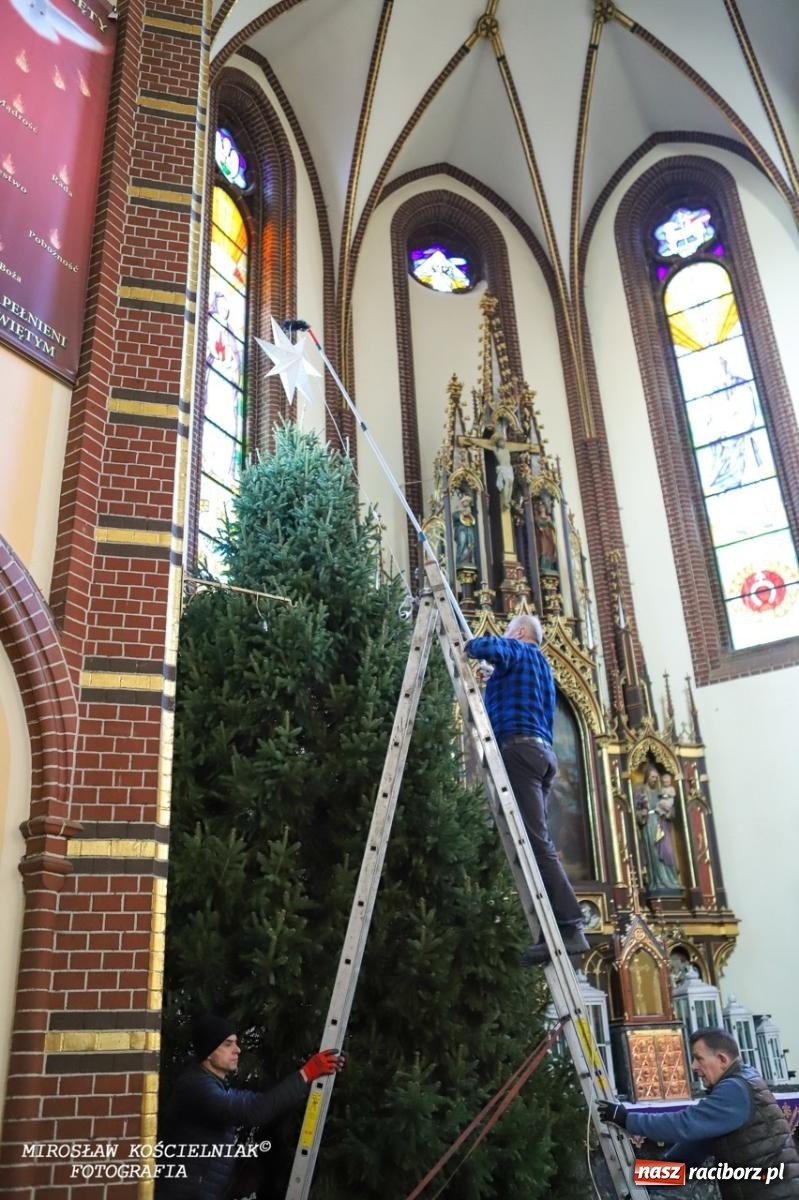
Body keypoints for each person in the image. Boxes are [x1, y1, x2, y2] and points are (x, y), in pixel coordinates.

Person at [465, 613, 589, 963]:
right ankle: (551, 933)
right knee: (533, 840)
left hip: (518, 750)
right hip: (541, 754)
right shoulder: (542, 670)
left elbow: (486, 646)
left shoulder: (522, 651)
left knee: (536, 843)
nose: (506, 637)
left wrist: (471, 645)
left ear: (519, 633)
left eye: (509, 633)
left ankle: (572, 926)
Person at [156, 1013, 345, 1199]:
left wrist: (306, 1080)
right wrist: (306, 1073)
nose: (237, 1050)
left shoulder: (215, 1086)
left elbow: (261, 1100)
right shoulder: (197, 1087)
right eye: (227, 1044)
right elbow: (253, 1110)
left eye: (236, 1043)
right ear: (209, 1053)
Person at [598, 1028, 799, 1198]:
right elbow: (690, 1155)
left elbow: (685, 1124)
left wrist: (627, 1119)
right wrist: (641, 1185)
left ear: (721, 1059)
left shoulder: (735, 1088)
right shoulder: (741, 1082)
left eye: (698, 1058)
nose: (693, 1066)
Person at [634, 765, 681, 892]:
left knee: (667, 852)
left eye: (656, 777)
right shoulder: (641, 791)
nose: (655, 779)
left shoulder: (661, 792)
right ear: (647, 777)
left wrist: (668, 811)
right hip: (649, 824)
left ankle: (671, 881)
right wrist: (641, 814)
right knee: (654, 854)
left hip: (662, 823)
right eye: (652, 777)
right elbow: (635, 810)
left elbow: (672, 810)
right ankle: (657, 882)